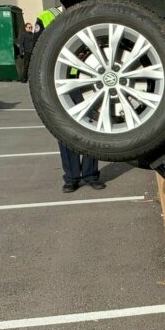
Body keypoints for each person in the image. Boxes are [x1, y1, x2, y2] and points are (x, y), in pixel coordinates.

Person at [31, 10, 106, 194]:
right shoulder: (47, 16)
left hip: (87, 80)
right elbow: (39, 49)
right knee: (65, 132)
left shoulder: (88, 11)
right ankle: (72, 177)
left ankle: (90, 175)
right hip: (59, 82)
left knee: (91, 128)